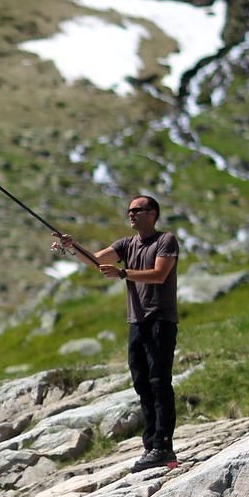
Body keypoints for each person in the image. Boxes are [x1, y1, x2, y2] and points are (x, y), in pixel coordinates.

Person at [51, 195, 180, 472]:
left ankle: (164, 445)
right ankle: (152, 446)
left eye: (137, 210)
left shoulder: (165, 241)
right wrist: (73, 247)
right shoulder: (126, 244)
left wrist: (123, 274)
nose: (131, 214)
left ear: (153, 213)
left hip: (160, 319)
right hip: (137, 321)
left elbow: (159, 274)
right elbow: (96, 261)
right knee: (141, 382)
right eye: (129, 211)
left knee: (159, 381)